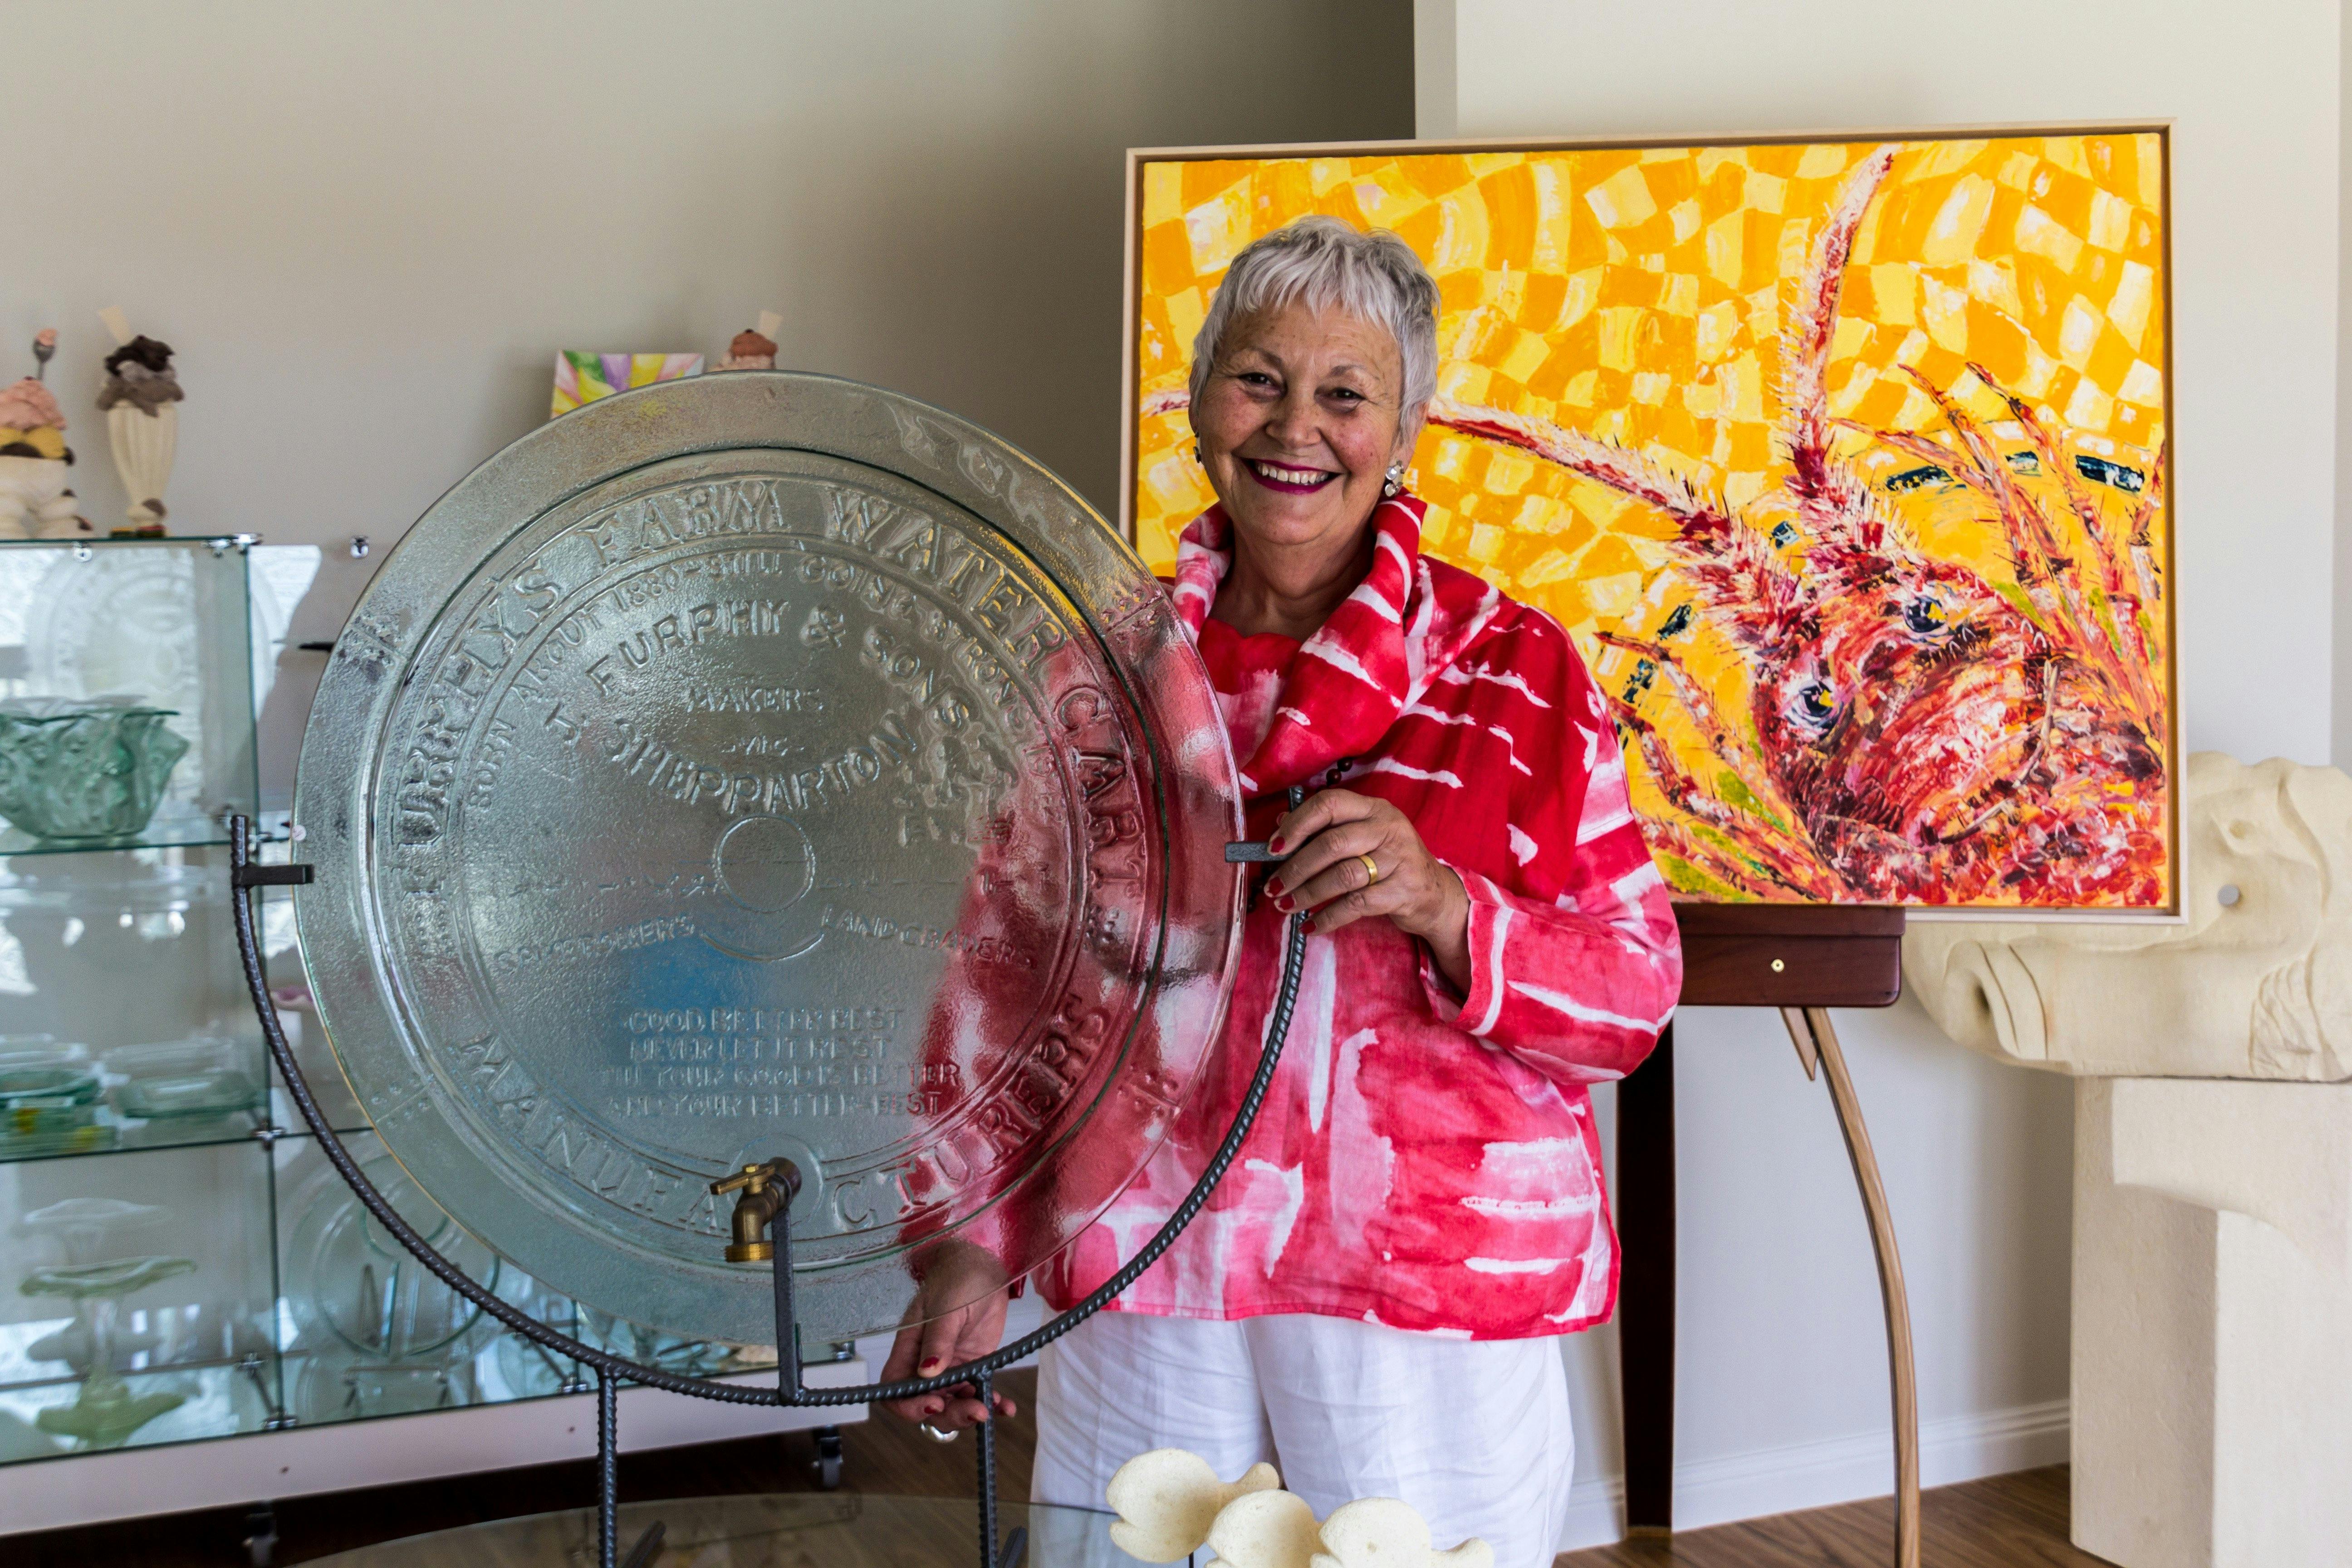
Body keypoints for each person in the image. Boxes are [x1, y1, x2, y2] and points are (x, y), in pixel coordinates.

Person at [881, 216, 1683, 1565]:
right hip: (1146, 1252)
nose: (1294, 424)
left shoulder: (1514, 670)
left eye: (1345, 393)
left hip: (1419, 1282)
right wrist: (968, 1240)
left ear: (1404, 428)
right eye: (1259, 378)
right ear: (1199, 401)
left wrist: (1445, 907)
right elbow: (1003, 979)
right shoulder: (1108, 675)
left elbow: (1631, 997)